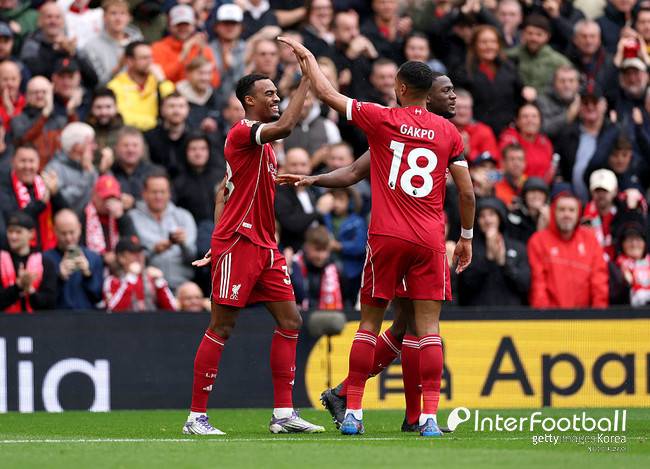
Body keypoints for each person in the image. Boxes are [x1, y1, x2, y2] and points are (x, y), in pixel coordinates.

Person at [278, 37, 475, 437]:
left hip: (386, 236)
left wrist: (309, 59)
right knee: (426, 330)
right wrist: (466, 237)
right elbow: (467, 193)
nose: (452, 97)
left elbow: (329, 95)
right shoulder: (448, 133)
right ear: (429, 94)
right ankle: (428, 418)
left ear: (401, 87)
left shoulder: (383, 121)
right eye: (447, 91)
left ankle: (353, 410)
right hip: (428, 240)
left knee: (372, 323)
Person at [182, 71, 324, 436]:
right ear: (249, 100)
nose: (276, 98)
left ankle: (283, 414)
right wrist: (307, 79)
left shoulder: (263, 146)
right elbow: (287, 125)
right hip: (239, 242)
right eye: (269, 93)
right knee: (222, 326)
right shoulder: (243, 132)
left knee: (291, 321)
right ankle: (196, 417)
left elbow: (224, 191)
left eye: (277, 93)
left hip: (265, 246)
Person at [528, 187, 609, 308]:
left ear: (578, 213)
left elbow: (599, 281)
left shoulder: (590, 240)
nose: (567, 214)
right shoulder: (538, 241)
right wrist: (543, 315)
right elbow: (538, 284)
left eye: (571, 210)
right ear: (553, 212)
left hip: (585, 317)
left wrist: (598, 313)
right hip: (551, 316)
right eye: (562, 210)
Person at [129, 169, 196, 291]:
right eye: (154, 192)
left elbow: (194, 259)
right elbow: (129, 259)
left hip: (182, 286)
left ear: (169, 193)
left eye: (163, 192)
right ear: (144, 194)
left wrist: (183, 244)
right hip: (148, 287)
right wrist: (153, 250)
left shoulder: (184, 216)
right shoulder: (132, 218)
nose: (158, 196)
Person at [457, 197, 529, 306]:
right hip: (476, 313)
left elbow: (525, 285)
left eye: (491, 214)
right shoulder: (469, 249)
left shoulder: (518, 248)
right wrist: (488, 259)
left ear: (500, 217)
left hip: (512, 314)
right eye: (482, 216)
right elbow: (464, 288)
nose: (487, 220)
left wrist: (504, 264)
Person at [0, 145, 66, 251]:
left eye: (31, 161)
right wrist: (40, 203)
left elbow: (65, 214)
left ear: (38, 163)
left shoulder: (44, 184)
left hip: (48, 250)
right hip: (18, 252)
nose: (27, 166)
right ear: (13, 162)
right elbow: (13, 218)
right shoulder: (4, 186)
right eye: (23, 161)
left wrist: (55, 193)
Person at [107, 40, 175, 131]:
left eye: (151, 57)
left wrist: (162, 80)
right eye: (144, 58)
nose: (150, 62)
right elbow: (122, 116)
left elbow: (174, 103)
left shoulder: (158, 81)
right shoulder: (115, 85)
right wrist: (153, 123)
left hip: (157, 134)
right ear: (129, 61)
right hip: (128, 132)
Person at [44, 208, 103, 310]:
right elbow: (44, 302)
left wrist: (88, 275)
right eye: (63, 233)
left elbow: (98, 298)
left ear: (79, 228)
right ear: (55, 231)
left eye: (72, 232)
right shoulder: (45, 259)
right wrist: (59, 278)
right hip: (57, 317)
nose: (68, 238)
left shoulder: (94, 258)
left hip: (87, 317)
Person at [103, 235, 177, 312]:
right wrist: (131, 278)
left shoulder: (152, 278)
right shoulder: (112, 281)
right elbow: (112, 310)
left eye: (141, 252)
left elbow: (173, 310)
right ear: (121, 257)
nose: (139, 256)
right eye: (133, 252)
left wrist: (160, 282)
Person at [0, 211, 57, 312]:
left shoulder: (45, 263)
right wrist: (18, 286)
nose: (13, 237)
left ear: (31, 234)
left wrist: (30, 290)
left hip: (35, 320)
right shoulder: (1, 261)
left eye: (18, 232)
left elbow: (49, 302)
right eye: (10, 231)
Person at [9, 76, 70, 168]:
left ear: (51, 95)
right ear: (27, 96)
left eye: (44, 92)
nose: (40, 96)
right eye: (35, 92)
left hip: (56, 171)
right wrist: (44, 115)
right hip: (29, 169)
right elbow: (23, 140)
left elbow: (71, 145)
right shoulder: (18, 119)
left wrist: (71, 112)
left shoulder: (60, 120)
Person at [151, 4, 220, 87]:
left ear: (194, 25)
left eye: (186, 24)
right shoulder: (158, 47)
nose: (183, 28)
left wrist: (202, 54)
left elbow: (214, 82)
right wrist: (182, 55)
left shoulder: (202, 48)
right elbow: (161, 78)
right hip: (170, 93)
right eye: (178, 24)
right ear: (169, 26)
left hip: (197, 94)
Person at [322, 187, 367, 308]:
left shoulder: (357, 222)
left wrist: (338, 246)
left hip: (351, 270)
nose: (336, 203)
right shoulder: (324, 218)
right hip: (327, 266)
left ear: (350, 201)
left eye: (341, 199)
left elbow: (360, 246)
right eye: (334, 199)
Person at [82, 0, 143, 86]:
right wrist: (118, 67)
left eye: (122, 13)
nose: (118, 19)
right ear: (104, 17)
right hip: (111, 92)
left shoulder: (138, 41)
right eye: (113, 13)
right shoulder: (91, 47)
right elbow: (98, 84)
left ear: (129, 17)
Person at [505, 14, 571, 94]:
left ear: (547, 36)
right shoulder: (513, 54)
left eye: (539, 34)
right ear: (523, 34)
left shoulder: (558, 61)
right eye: (530, 33)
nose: (534, 38)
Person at [81, 174, 136, 269]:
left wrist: (121, 218)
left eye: (113, 198)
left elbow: (133, 244)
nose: (109, 202)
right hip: (93, 268)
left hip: (120, 267)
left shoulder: (123, 216)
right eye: (105, 198)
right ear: (94, 196)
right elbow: (80, 247)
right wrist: (102, 258)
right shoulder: (84, 216)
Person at [44, 122, 98, 213]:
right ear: (77, 146)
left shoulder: (88, 165)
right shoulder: (54, 168)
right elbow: (65, 201)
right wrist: (87, 174)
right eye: (91, 143)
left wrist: (104, 171)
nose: (95, 147)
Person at [290, 224, 343, 312]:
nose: (321, 256)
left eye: (324, 250)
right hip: (301, 315)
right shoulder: (294, 266)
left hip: (330, 315)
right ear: (306, 247)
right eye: (317, 250)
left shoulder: (336, 267)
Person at [499, 102, 554, 181]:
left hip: (543, 186)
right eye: (525, 117)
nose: (530, 120)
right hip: (516, 185)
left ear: (540, 121)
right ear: (517, 121)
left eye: (534, 116)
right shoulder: (509, 140)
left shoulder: (545, 142)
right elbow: (505, 170)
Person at [144, 92, 190, 178]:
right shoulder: (149, 137)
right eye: (171, 106)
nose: (176, 111)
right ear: (162, 110)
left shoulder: (195, 137)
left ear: (188, 110)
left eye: (181, 106)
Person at [109, 126, 156, 210]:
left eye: (135, 145)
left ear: (142, 149)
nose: (130, 150)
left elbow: (165, 201)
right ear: (116, 148)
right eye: (125, 145)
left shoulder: (154, 174)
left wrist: (135, 203)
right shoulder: (109, 172)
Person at [450, 88, 499, 164]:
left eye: (466, 108)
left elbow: (492, 162)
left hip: (475, 170)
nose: (462, 112)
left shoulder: (484, 131)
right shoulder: (442, 129)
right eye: (458, 107)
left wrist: (469, 152)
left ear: (471, 109)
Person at [210, 3, 246, 105]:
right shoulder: (208, 49)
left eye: (234, 23)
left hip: (241, 104)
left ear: (241, 27)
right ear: (216, 26)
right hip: (213, 102)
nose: (229, 27)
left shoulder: (247, 49)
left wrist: (231, 67)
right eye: (225, 23)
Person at [536, 65, 581, 140]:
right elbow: (544, 129)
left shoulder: (585, 100)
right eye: (562, 81)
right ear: (554, 83)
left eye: (571, 81)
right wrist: (568, 116)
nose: (567, 85)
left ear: (578, 83)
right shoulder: (543, 101)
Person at [86, 88, 123, 170]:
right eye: (98, 107)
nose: (103, 112)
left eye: (108, 107)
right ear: (91, 108)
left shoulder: (126, 132)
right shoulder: (85, 132)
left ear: (116, 107)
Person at [615, 220, 650, 306]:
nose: (634, 244)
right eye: (629, 240)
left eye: (638, 239)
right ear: (622, 244)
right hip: (631, 312)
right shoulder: (616, 268)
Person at [506, 177, 551, 244]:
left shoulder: (551, 216)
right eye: (532, 192)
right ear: (524, 196)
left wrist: (547, 220)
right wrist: (539, 230)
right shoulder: (514, 216)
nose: (536, 196)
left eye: (540, 193)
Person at [494, 144, 527, 209]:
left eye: (520, 159)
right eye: (512, 159)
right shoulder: (494, 184)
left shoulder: (529, 183)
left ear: (525, 163)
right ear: (503, 163)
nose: (516, 163)